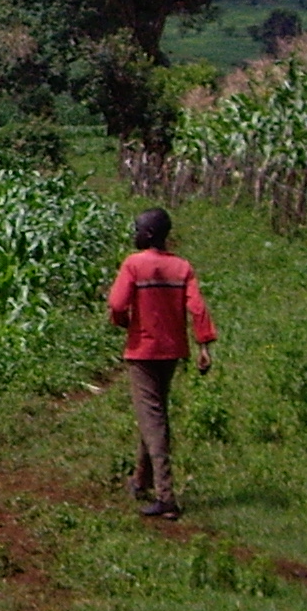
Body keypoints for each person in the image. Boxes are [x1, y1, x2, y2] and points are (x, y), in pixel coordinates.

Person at [107, 207, 214, 518]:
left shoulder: (134, 264)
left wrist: (121, 321)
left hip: (142, 351)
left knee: (153, 420)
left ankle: (166, 495)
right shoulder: (182, 267)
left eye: (138, 229)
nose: (134, 234)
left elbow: (116, 304)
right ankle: (140, 481)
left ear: (149, 234)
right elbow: (197, 307)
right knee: (152, 412)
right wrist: (204, 345)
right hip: (172, 351)